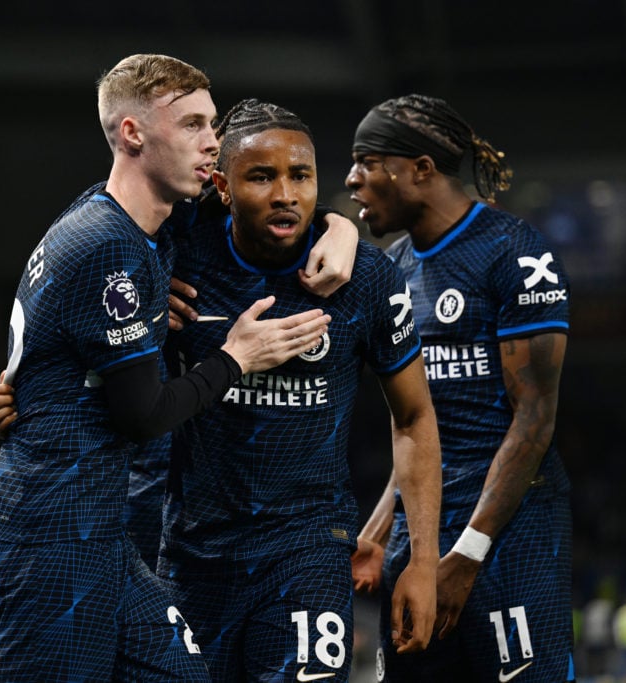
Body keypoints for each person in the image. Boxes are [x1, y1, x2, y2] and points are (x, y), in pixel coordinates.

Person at [0, 54, 336, 682]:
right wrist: (237, 357)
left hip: (98, 531)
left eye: (213, 124)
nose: (212, 143)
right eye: (193, 124)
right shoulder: (110, 246)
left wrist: (338, 225)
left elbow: (272, 206)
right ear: (133, 134)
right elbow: (141, 415)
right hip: (52, 532)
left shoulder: (129, 221)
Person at [156, 98, 441, 682]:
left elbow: (414, 419)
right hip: (194, 557)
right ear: (222, 186)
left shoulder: (366, 279)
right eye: (262, 176)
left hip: (307, 550)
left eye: (301, 175)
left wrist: (423, 562)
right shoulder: (177, 260)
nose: (286, 193)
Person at [346, 94, 575, 682]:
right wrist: (377, 532)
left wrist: (469, 554)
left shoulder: (515, 254)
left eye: (368, 161)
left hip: (509, 538)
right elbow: (418, 426)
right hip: (419, 535)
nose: (352, 179)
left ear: (420, 169)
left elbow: (535, 420)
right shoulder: (391, 270)